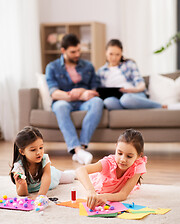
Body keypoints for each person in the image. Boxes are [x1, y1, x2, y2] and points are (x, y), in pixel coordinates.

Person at [46, 34, 104, 165]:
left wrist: (84, 92)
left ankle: (82, 148)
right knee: (60, 106)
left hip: (84, 102)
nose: (77, 54)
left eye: (79, 50)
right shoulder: (52, 67)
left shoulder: (88, 66)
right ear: (63, 50)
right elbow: (54, 93)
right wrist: (76, 95)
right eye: (73, 52)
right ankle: (77, 150)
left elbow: (95, 90)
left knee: (97, 102)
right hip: (63, 101)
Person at [76, 129, 147, 210]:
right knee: (74, 176)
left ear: (138, 156)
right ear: (116, 147)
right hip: (99, 181)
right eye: (119, 153)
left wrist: (105, 196)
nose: (123, 159)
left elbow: (123, 194)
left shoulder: (138, 165)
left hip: (111, 189)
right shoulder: (108, 163)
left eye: (129, 156)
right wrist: (91, 191)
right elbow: (80, 170)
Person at [97, 39, 166, 110]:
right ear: (106, 52)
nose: (114, 58)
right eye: (111, 54)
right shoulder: (101, 71)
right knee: (108, 102)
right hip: (115, 98)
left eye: (117, 54)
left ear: (121, 54)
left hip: (134, 95)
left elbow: (141, 85)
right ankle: (128, 106)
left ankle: (158, 105)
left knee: (126, 100)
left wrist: (133, 90)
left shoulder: (129, 64)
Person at [10, 126, 76, 198]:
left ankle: (78, 172)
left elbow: (47, 178)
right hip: (43, 182)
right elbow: (22, 194)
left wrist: (40, 195)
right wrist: (23, 184)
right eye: (33, 150)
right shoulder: (18, 167)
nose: (39, 152)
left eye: (41, 148)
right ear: (22, 151)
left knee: (72, 177)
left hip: (54, 176)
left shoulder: (44, 159)